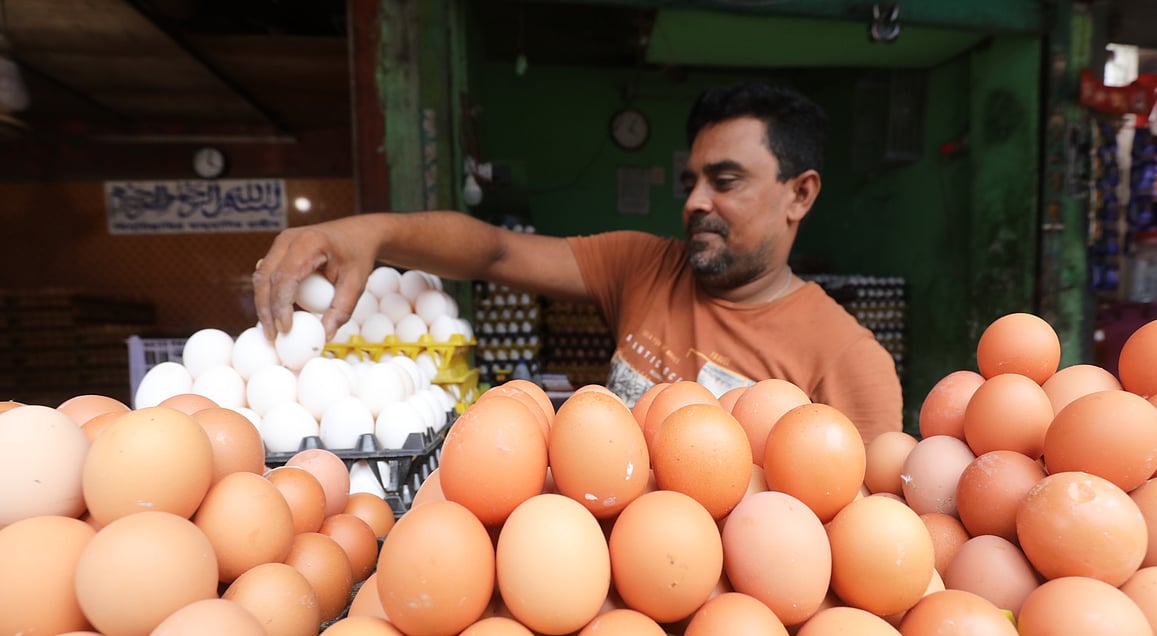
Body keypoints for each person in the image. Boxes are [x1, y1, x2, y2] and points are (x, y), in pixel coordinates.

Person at [254, 82, 903, 443]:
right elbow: (496, 250)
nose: (694, 203)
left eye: (725, 182)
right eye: (691, 182)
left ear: (800, 195)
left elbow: (863, 539)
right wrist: (370, 232)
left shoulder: (848, 362)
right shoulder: (643, 266)